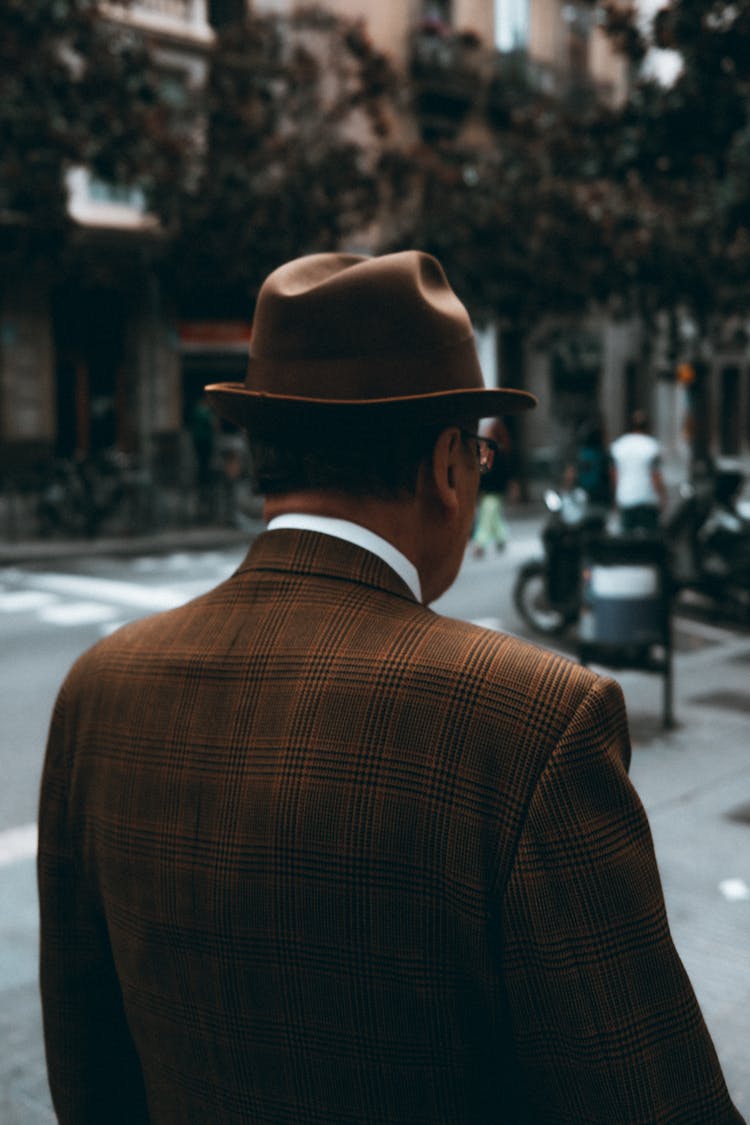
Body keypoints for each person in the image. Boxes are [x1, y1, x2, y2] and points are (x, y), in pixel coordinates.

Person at [38, 252, 743, 1124]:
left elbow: (85, 1074)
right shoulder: (533, 722)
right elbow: (651, 1095)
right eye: (479, 453)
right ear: (448, 465)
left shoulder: (98, 690)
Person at [610, 407, 668, 532]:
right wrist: (663, 497)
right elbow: (655, 475)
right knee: (650, 543)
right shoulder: (652, 446)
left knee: (628, 541)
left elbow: (615, 474)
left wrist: (616, 496)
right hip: (648, 499)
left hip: (626, 498)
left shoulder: (619, 446)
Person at [470, 415, 512, 555]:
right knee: (492, 515)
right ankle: (502, 537)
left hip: (494, 489)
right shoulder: (486, 449)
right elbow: (482, 472)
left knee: (487, 515)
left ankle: (479, 543)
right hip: (490, 489)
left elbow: (494, 472)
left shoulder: (494, 450)